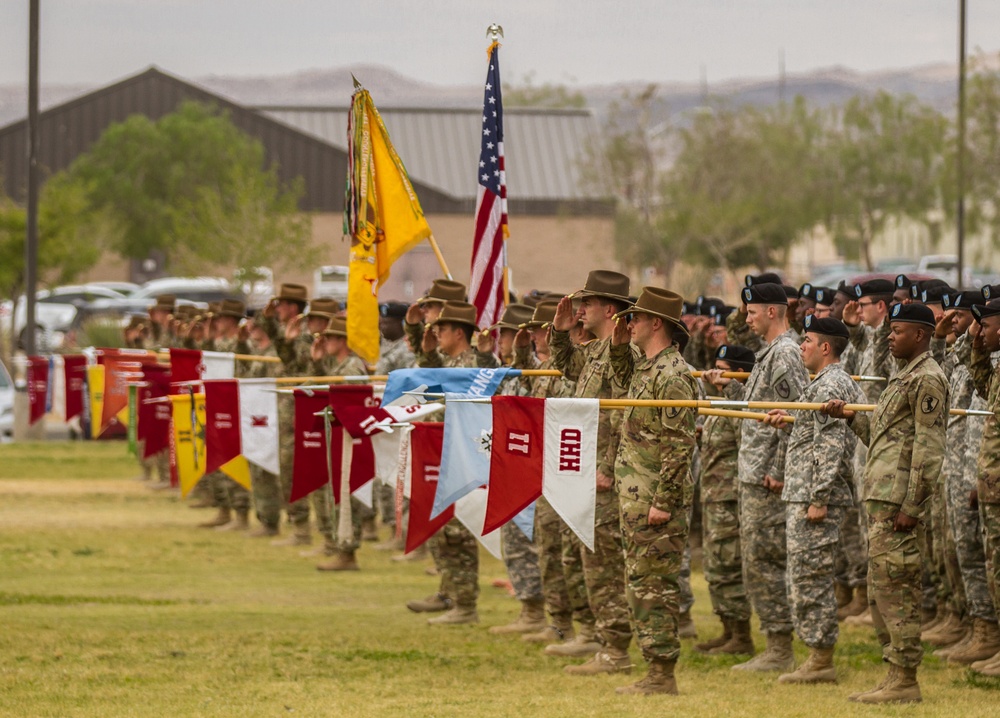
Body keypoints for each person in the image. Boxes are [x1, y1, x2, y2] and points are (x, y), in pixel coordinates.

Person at [823, 302, 948, 704]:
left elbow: (929, 450)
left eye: (898, 331)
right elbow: (881, 435)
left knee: (900, 591)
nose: (890, 337)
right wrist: (848, 417)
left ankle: (906, 679)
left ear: (921, 336)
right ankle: (894, 673)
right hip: (881, 499)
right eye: (890, 330)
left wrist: (913, 507)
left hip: (898, 507)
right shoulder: (902, 377)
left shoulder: (928, 379)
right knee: (882, 591)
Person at [704, 282, 809, 672]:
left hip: (768, 476)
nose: (746, 318)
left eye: (752, 312)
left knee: (764, 561)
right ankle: (773, 643)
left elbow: (800, 415)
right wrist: (733, 387)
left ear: (771, 312)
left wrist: (780, 469)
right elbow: (766, 405)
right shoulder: (771, 353)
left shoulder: (784, 354)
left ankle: (780, 648)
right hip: (756, 471)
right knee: (755, 560)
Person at [762, 315, 865, 684]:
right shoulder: (823, 383)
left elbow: (832, 444)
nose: (800, 346)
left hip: (815, 495)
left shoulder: (830, 384)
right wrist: (790, 420)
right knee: (807, 573)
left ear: (825, 348)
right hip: (807, 490)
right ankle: (816, 656)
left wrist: (819, 497)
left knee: (811, 575)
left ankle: (820, 661)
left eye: (807, 340)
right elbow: (814, 435)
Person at [607, 286, 697, 695]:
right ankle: (654, 669)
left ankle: (662, 674)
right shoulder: (647, 369)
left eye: (635, 318)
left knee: (654, 587)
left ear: (655, 323)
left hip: (655, 502)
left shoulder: (674, 375)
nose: (629, 323)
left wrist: (663, 502)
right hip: (636, 496)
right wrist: (618, 346)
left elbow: (679, 445)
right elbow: (619, 375)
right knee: (640, 582)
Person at [549, 270, 635, 674]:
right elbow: (566, 366)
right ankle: (605, 641)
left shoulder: (624, 354)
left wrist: (605, 466)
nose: (580, 309)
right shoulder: (599, 350)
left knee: (603, 563)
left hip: (607, 473)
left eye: (588, 303)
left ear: (610, 309)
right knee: (591, 559)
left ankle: (617, 651)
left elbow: (623, 416)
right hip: (588, 469)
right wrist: (562, 331)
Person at [410, 300, 499, 625]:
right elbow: (427, 387)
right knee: (440, 525)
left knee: (458, 530)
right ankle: (448, 592)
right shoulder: (448, 361)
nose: (436, 331)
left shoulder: (476, 362)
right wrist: (430, 353)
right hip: (441, 452)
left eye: (442, 328)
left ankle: (465, 604)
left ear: (459, 332)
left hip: (466, 456)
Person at [512, 300, 595, 648]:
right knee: (551, 550)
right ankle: (559, 622)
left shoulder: (574, 368)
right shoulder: (547, 369)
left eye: (537, 329)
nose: (532, 335)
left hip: (571, 470)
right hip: (550, 471)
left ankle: (587, 628)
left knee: (574, 555)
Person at [694, 345, 755, 657]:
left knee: (729, 565)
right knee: (716, 566)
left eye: (724, 369)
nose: (716, 374)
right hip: (713, 495)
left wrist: (730, 388)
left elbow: (746, 433)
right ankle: (728, 629)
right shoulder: (720, 401)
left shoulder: (740, 401)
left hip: (729, 498)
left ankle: (742, 636)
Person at [966, 298, 1000, 676]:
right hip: (993, 486)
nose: (981, 333)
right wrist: (976, 345)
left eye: (985, 328)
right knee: (995, 568)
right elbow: (982, 387)